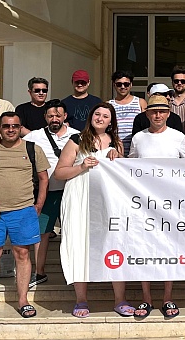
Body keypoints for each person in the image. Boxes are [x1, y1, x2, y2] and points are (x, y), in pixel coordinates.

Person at [0, 111, 50, 320]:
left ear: (20, 128)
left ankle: (23, 300)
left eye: (14, 126)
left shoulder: (32, 149)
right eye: (6, 126)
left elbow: (44, 178)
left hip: (23, 211)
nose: (10, 130)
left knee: (22, 254)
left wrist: (39, 204)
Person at [54, 103, 131, 318]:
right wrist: (81, 166)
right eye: (97, 114)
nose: (100, 118)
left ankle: (120, 299)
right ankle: (81, 300)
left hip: (108, 201)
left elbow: (124, 173)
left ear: (111, 121)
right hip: (80, 199)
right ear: (91, 117)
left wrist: (120, 158)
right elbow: (59, 173)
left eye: (105, 116)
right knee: (79, 245)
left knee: (114, 244)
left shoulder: (116, 142)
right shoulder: (77, 140)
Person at [129, 94, 185, 318]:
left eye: (162, 111)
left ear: (168, 114)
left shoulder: (178, 137)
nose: (158, 115)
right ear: (147, 114)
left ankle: (167, 298)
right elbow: (130, 167)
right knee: (144, 249)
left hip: (171, 203)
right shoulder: (138, 138)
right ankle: (146, 299)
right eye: (154, 111)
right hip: (143, 203)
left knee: (168, 250)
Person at [23, 99, 80, 288]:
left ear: (65, 116)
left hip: (72, 192)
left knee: (74, 233)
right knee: (42, 233)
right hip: (46, 193)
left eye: (58, 115)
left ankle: (76, 272)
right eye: (50, 116)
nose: (54, 119)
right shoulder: (34, 136)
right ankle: (39, 272)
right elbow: (14, 145)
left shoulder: (77, 135)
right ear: (45, 117)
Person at [108, 70, 147, 156]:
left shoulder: (140, 102)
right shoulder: (109, 104)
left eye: (126, 84)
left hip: (137, 148)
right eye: (119, 84)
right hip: (115, 150)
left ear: (131, 85)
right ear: (114, 85)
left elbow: (146, 125)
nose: (123, 87)